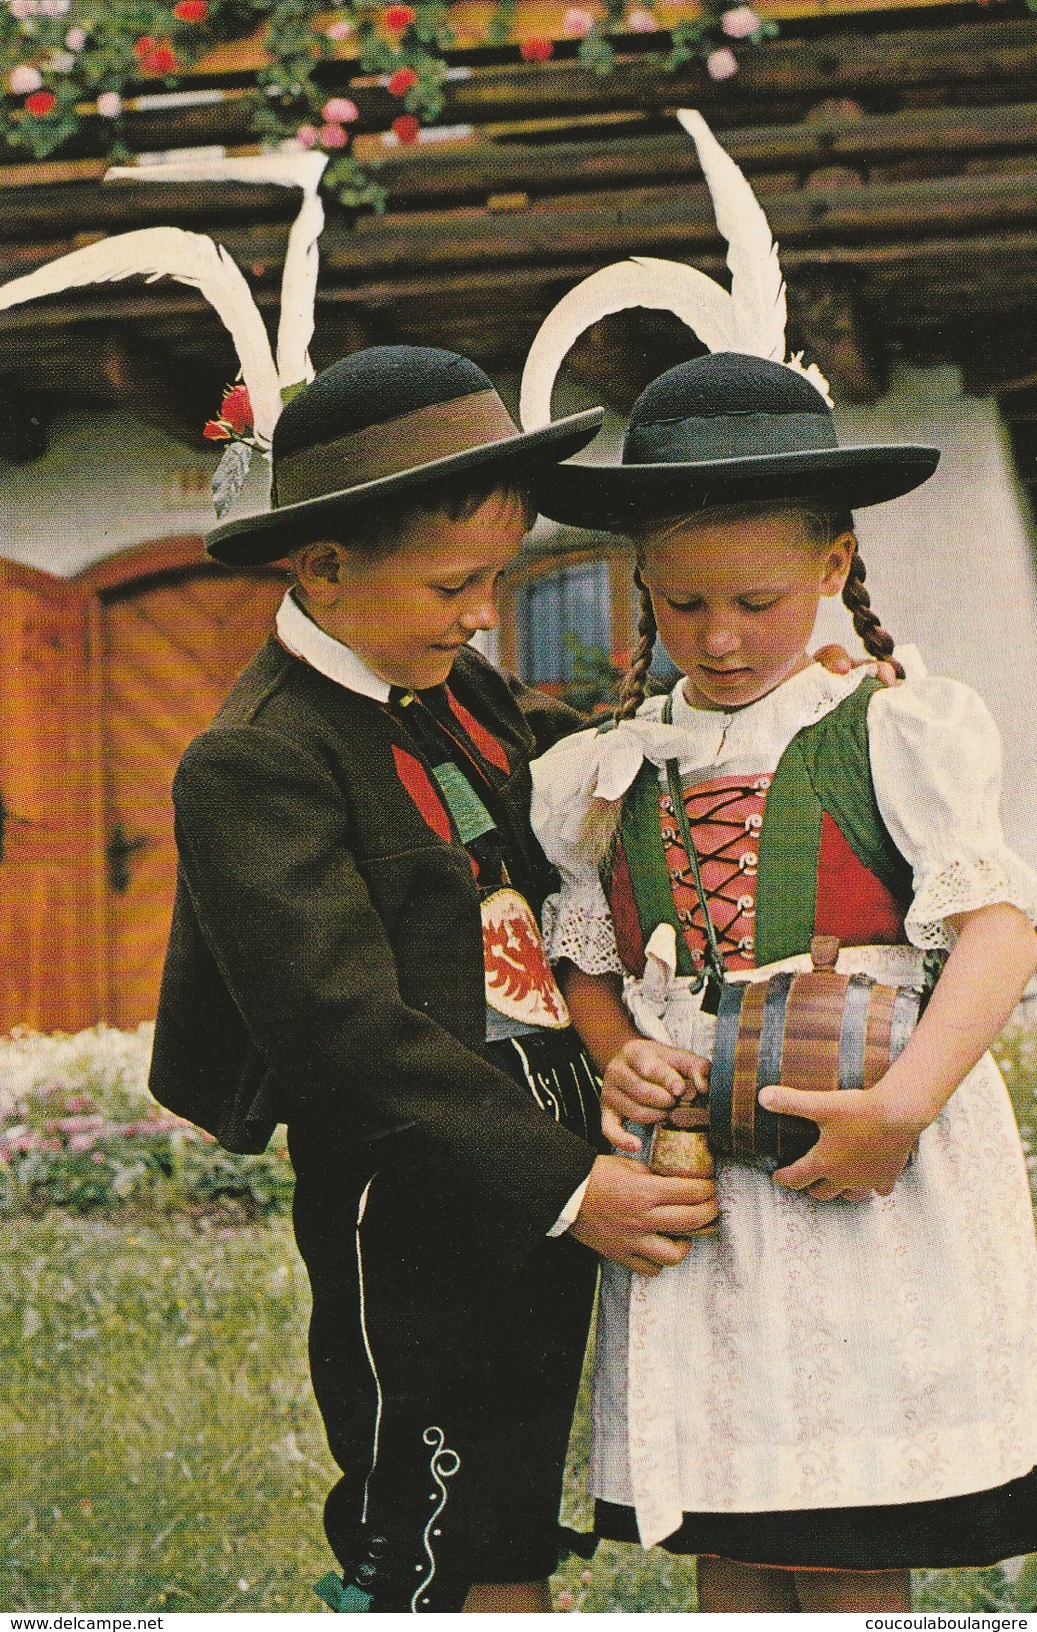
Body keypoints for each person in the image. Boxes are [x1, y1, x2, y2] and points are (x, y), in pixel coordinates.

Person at [147, 344, 723, 1615]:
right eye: (453, 584)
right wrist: (571, 1186)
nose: (481, 612)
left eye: (495, 581)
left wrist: (721, 726)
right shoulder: (257, 762)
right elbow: (340, 1033)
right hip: (413, 1202)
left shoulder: (451, 681)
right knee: (429, 1518)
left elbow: (560, 770)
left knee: (515, 1498)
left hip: (535, 1150)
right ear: (324, 568)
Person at [528, 349, 1037, 1613]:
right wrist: (612, 1053)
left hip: (865, 1170)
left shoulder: (894, 725)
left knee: (850, 1528)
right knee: (735, 1522)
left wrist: (897, 1112)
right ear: (641, 581)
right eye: (684, 602)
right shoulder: (608, 766)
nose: (719, 636)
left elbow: (998, 931)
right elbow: (581, 946)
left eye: (756, 600)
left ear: (832, 564)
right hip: (700, 1190)